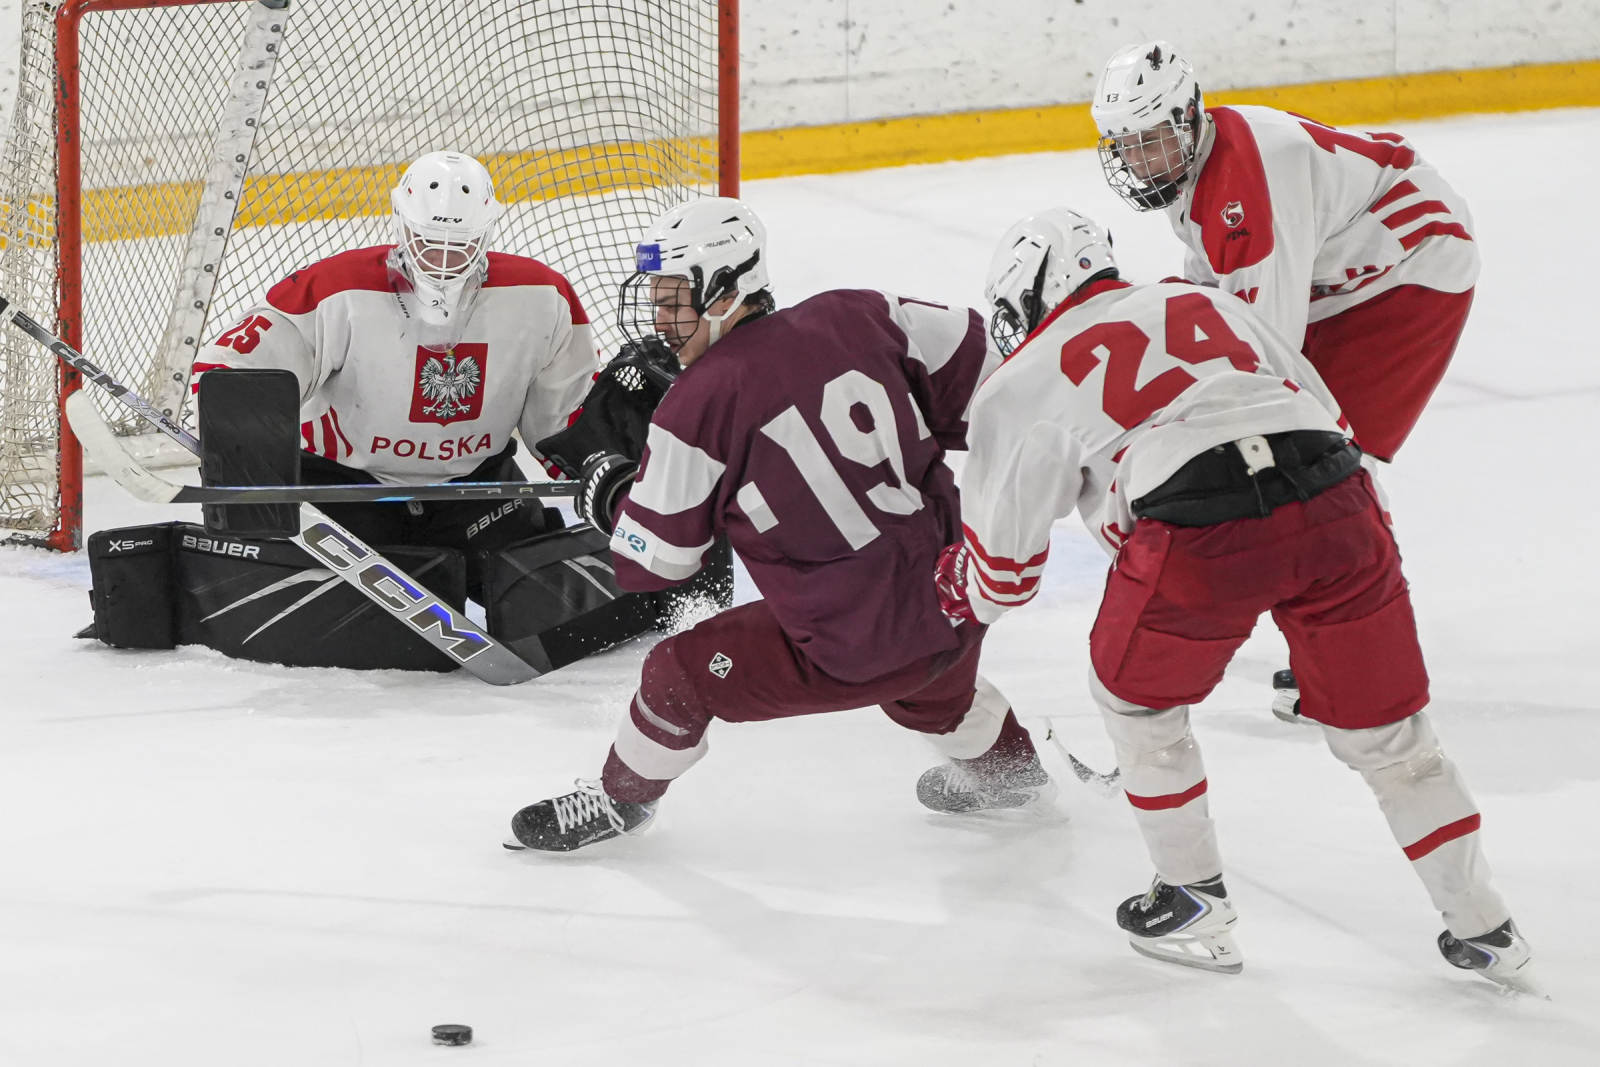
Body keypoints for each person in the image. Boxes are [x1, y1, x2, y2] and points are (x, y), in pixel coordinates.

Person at [941, 207, 1533, 991]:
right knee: (1393, 736)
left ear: (1027, 296)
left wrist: (952, 583)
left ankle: (1192, 898)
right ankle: (1487, 926)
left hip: (1197, 531)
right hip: (1339, 504)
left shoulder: (1021, 380)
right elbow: (1335, 421)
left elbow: (1003, 580)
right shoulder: (1209, 302)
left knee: (1134, 700)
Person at [504, 196, 1053, 853]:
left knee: (676, 674)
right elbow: (1003, 384)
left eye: (675, 299)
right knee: (932, 686)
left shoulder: (698, 402)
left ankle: (622, 799)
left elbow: (654, 564)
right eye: (656, 299)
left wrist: (613, 491)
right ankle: (1012, 775)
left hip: (847, 646)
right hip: (960, 598)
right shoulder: (862, 313)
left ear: (728, 291)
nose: (661, 319)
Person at [1090, 42, 1480, 721]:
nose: (1140, 160)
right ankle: (1349, 635)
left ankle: (1362, 651)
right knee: (1313, 443)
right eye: (1126, 146)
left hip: (1410, 267)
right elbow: (1217, 306)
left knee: (1331, 451)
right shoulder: (1204, 170)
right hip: (1345, 273)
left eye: (1151, 140)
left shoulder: (1247, 190)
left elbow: (1263, 360)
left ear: (1187, 117)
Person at [192, 151, 595, 592]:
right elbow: (229, 366)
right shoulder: (337, 288)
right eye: (428, 239)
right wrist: (239, 446)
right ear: (401, 225)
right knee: (326, 609)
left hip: (478, 488)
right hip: (344, 490)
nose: (443, 258)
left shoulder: (542, 296)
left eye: (460, 243)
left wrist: (604, 473)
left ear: (486, 233)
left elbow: (564, 422)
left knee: (544, 596)